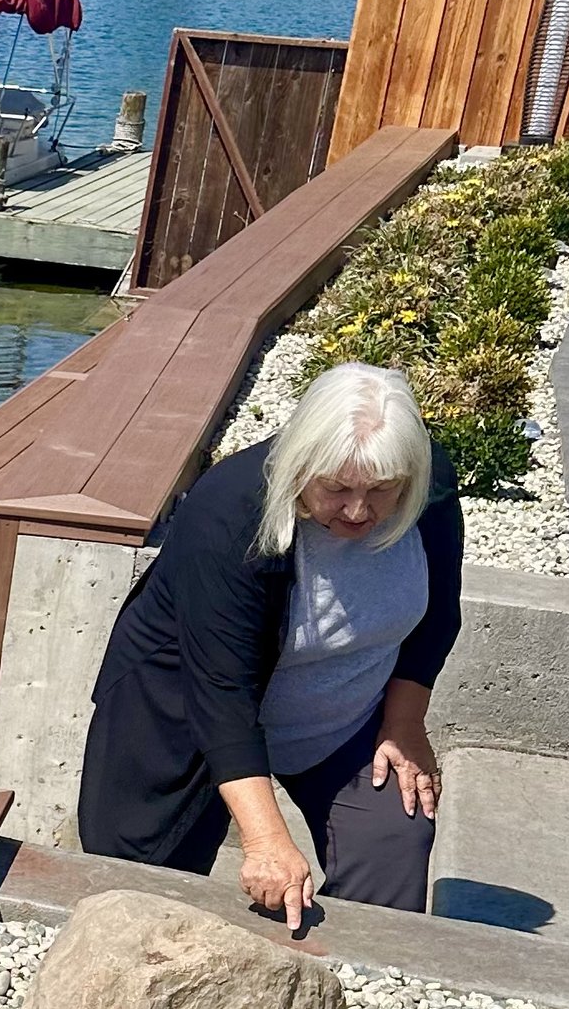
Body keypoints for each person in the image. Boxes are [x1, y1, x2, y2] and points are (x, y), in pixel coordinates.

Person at [77, 363, 462, 925]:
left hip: (338, 713)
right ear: (301, 464)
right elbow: (220, 690)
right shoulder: (230, 510)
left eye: (381, 491)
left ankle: (352, 982)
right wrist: (264, 839)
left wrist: (404, 724)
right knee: (138, 887)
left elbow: (438, 615)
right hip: (185, 706)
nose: (359, 511)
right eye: (336, 489)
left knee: (393, 834)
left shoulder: (428, 484)